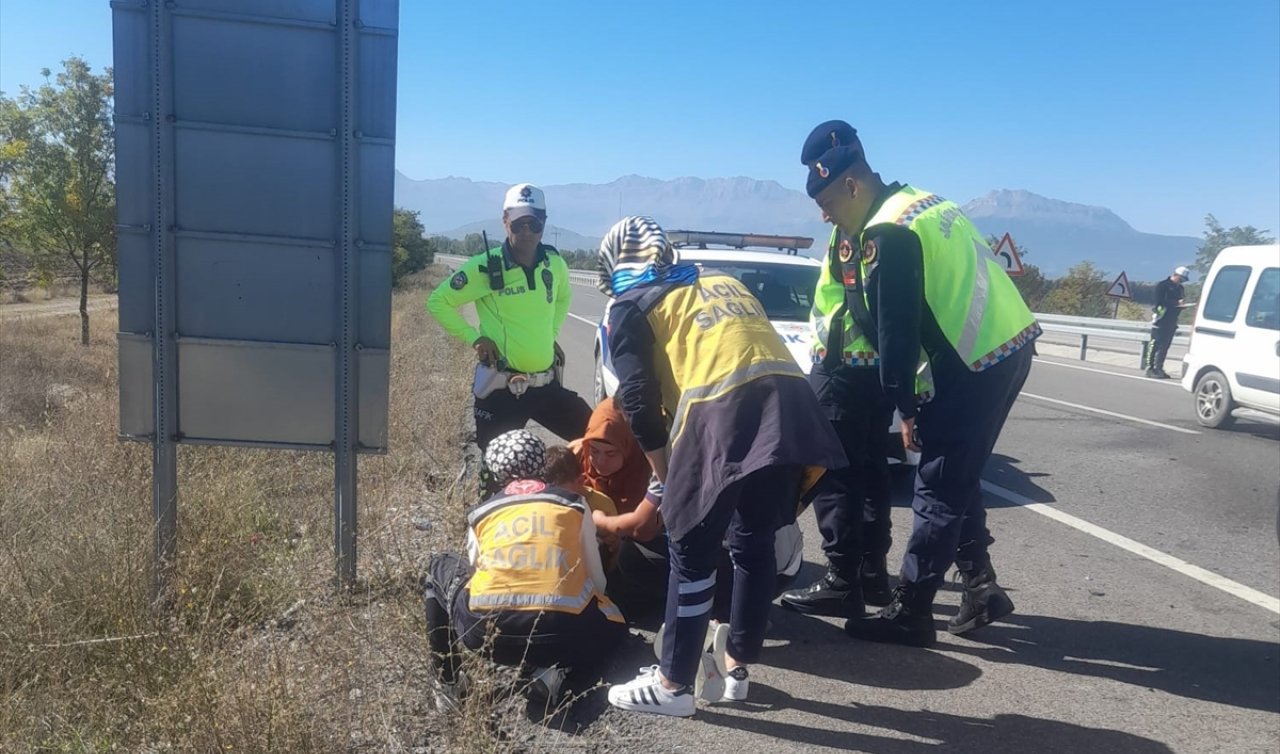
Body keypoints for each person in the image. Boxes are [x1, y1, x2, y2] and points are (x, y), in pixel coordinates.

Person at [595, 216, 846, 716]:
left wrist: (668, 475)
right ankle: (735, 668)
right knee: (753, 542)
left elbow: (639, 400)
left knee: (691, 548)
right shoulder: (717, 280)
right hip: (791, 407)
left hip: (721, 412)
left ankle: (672, 685)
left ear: (615, 267)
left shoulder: (630, 304)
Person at [802, 121, 1040, 648]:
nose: (824, 215)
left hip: (971, 361)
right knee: (956, 472)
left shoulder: (886, 232)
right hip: (1008, 345)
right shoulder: (919, 202)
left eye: (826, 202)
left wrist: (905, 409)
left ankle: (912, 611)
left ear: (852, 186)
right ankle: (980, 587)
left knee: (936, 482)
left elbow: (896, 336)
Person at [422, 430, 626, 707]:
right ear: (541, 462)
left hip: (486, 635)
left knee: (437, 566)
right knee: (615, 630)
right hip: (563, 633)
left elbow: (477, 573)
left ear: (496, 474)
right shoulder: (573, 504)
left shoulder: (482, 512)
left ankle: (448, 684)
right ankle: (553, 672)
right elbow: (595, 577)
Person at [780, 213, 898, 620]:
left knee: (835, 476)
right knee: (871, 471)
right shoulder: (889, 226)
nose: (822, 212)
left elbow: (845, 299)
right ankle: (872, 574)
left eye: (825, 199)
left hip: (841, 366)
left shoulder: (854, 229)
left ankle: (842, 581)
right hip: (878, 369)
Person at [425, 183, 592, 456]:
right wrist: (474, 338)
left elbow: (562, 298)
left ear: (544, 223)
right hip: (502, 389)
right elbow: (438, 302)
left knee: (598, 439)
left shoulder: (554, 263)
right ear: (505, 222)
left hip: (546, 386)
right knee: (495, 474)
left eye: (533, 224)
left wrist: (551, 334)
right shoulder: (484, 267)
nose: (526, 232)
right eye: (518, 224)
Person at [1145, 266, 1190, 379]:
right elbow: (1159, 301)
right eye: (1181, 279)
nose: (1181, 282)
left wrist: (1181, 306)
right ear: (1176, 275)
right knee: (1155, 343)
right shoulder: (1162, 285)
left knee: (1165, 346)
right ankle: (1149, 368)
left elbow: (1178, 303)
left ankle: (1159, 368)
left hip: (1172, 320)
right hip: (1161, 319)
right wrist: (1175, 302)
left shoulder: (1180, 288)